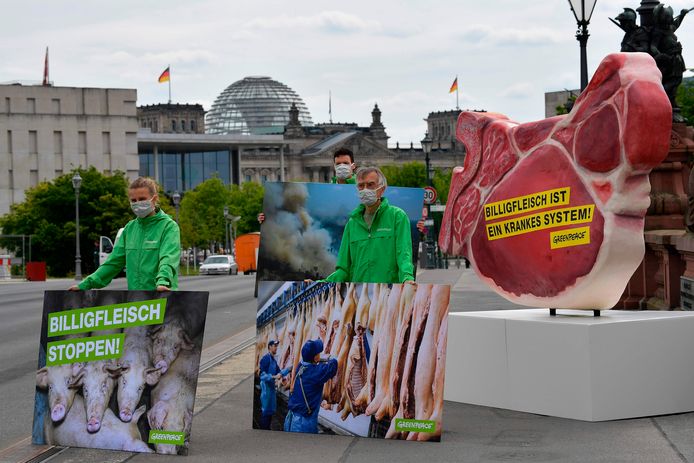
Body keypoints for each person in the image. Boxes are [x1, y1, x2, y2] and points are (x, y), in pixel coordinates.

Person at [69, 177, 180, 292]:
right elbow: (113, 262)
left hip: (162, 295)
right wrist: (85, 284)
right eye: (133, 200)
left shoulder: (169, 227)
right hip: (136, 300)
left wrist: (163, 281)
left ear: (154, 199)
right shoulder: (129, 229)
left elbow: (168, 258)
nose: (137, 203)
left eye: (142, 199)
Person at [325, 167, 415, 284]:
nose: (365, 190)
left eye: (370, 185)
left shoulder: (397, 217)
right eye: (361, 186)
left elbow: (404, 256)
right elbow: (343, 269)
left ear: (382, 189)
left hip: (387, 293)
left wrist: (407, 278)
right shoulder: (352, 224)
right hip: (358, 295)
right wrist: (319, 282)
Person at [257, 147, 358, 224]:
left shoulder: (362, 188)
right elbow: (309, 214)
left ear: (353, 166)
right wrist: (269, 218)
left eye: (345, 163)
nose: (342, 166)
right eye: (338, 164)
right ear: (334, 166)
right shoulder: (327, 189)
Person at [284, 339, 337, 433]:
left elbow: (312, 363)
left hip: (291, 418)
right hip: (303, 424)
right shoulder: (315, 373)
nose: (320, 354)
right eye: (319, 353)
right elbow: (333, 365)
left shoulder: (300, 366)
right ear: (315, 357)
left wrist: (318, 359)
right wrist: (330, 357)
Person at [258, 339, 290, 430]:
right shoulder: (266, 359)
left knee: (270, 414)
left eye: (277, 346)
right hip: (266, 391)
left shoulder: (273, 361)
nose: (276, 348)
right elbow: (262, 375)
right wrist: (274, 377)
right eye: (274, 346)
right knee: (265, 413)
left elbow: (279, 372)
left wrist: (288, 369)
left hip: (271, 391)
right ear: (269, 347)